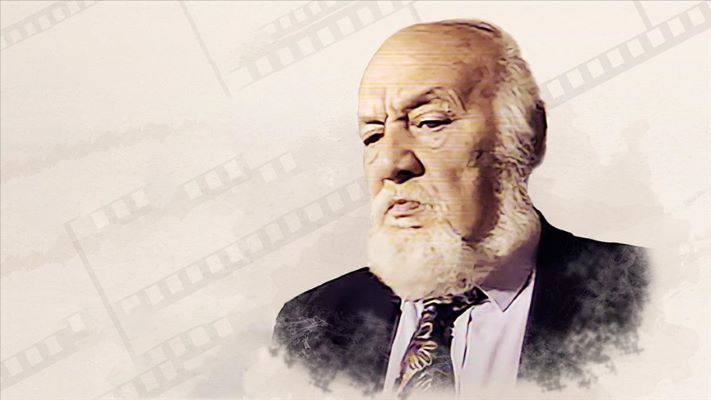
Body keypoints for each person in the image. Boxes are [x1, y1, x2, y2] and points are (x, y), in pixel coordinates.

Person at [272, 19, 649, 397]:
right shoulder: (314, 323)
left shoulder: (649, 297)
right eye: (372, 135)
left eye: (430, 122)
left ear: (527, 134)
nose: (389, 163)